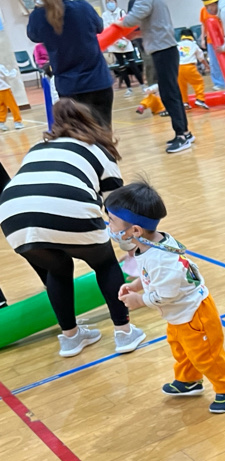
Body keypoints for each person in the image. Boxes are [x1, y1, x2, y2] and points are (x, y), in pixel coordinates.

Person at [0, 99, 146, 357]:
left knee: (57, 270)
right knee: (105, 264)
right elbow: (117, 209)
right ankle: (124, 333)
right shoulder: (99, 150)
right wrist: (130, 247)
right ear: (91, 122)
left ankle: (70, 338)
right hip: (67, 206)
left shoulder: (38, 147)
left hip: (12, 215)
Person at [105, 181, 225, 414]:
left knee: (206, 356)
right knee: (181, 349)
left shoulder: (161, 258)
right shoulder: (149, 245)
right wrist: (137, 285)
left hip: (195, 315)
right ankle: (189, 381)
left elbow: (166, 293)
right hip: (178, 315)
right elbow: (154, 278)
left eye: (112, 220)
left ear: (135, 230)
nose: (109, 225)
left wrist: (140, 301)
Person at [118, 0, 193, 154]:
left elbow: (133, 18)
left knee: (169, 94)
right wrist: (135, 34)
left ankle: (182, 135)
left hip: (163, 50)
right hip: (164, 48)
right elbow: (153, 26)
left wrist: (116, 25)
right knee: (171, 92)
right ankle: (184, 132)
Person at [27, 0, 114, 129]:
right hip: (98, 81)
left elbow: (34, 36)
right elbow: (99, 27)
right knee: (104, 131)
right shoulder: (83, 7)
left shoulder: (37, 17)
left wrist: (39, 8)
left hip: (69, 87)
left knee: (80, 134)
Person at [102, 0, 143, 95]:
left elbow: (126, 25)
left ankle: (142, 85)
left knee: (132, 64)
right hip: (114, 44)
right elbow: (106, 28)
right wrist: (115, 41)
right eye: (107, 2)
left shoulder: (122, 12)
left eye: (111, 1)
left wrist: (123, 40)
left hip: (125, 41)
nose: (110, 4)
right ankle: (129, 88)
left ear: (115, 2)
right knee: (121, 66)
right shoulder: (105, 15)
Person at [177, 28, 208, 109]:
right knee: (198, 82)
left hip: (178, 68)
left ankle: (184, 102)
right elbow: (201, 58)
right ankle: (200, 99)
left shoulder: (177, 45)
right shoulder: (193, 45)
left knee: (181, 86)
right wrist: (207, 66)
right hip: (189, 67)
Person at [0, 64, 22, 130]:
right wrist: (14, 70)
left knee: (1, 107)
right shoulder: (0, 66)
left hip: (3, 89)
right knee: (13, 106)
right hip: (4, 90)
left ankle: (1, 122)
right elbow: (9, 75)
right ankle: (17, 122)